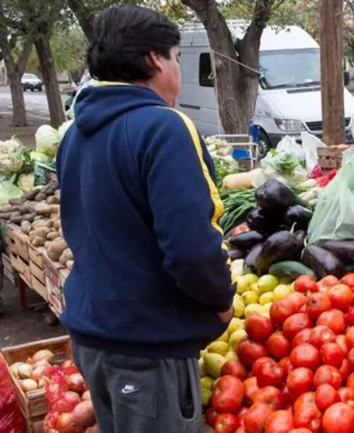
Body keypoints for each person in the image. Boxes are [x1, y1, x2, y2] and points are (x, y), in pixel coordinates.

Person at [56, 6, 233, 432]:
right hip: (148, 348)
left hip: (94, 335)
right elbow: (192, 248)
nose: (177, 70)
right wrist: (221, 301)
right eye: (176, 58)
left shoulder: (76, 133)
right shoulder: (164, 127)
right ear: (156, 60)